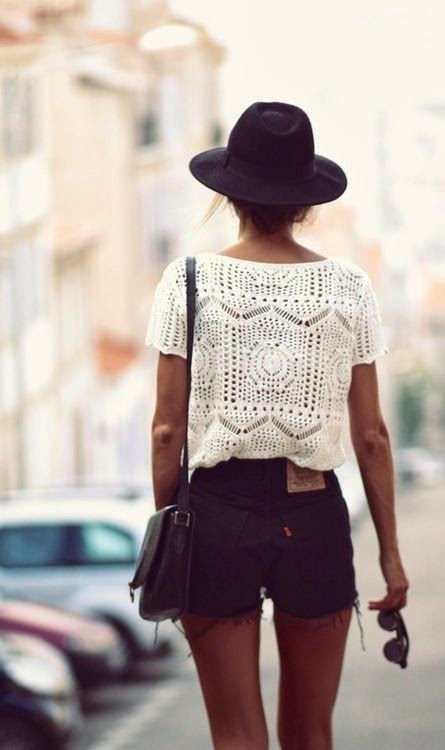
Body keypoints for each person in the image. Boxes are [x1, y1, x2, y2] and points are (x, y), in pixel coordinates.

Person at [145, 101, 410, 750]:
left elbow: (165, 432)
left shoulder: (188, 281)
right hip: (313, 514)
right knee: (311, 733)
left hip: (214, 518)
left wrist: (173, 536)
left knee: (236, 733)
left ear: (229, 192)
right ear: (305, 202)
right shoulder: (348, 287)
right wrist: (390, 556)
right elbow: (372, 436)